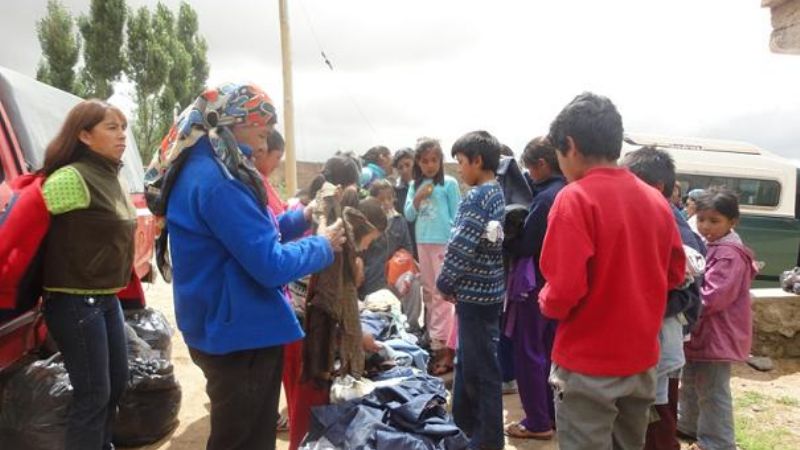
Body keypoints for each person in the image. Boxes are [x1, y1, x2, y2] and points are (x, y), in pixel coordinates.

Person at [161, 83, 344, 450]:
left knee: (241, 433)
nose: (265, 139)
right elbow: (269, 264)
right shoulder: (219, 181)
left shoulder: (207, 167)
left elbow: (252, 236)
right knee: (245, 439)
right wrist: (323, 245)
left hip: (223, 324)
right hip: (239, 333)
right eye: (260, 128)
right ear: (232, 121)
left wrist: (303, 216)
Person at [539, 92, 686, 450]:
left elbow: (563, 291)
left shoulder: (575, 198)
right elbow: (675, 274)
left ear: (569, 145)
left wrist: (545, 300)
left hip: (588, 364)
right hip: (640, 362)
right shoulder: (655, 200)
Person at [38, 99, 134, 450]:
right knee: (93, 395)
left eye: (124, 127)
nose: (122, 135)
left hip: (106, 298)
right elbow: (26, 221)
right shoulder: (71, 178)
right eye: (112, 127)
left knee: (117, 383)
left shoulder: (112, 177)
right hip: (74, 302)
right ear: (84, 135)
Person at [622, 146, 707, 450]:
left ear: (655, 187)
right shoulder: (652, 213)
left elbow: (686, 280)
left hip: (662, 335)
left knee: (658, 417)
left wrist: (646, 306)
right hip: (655, 335)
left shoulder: (667, 218)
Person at [436, 130, 506, 450]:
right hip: (487, 292)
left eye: (462, 162)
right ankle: (461, 427)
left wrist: (445, 281)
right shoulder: (496, 193)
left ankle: (487, 440)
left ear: (478, 161)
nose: (460, 169)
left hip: (475, 297)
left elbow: (461, 245)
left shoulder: (476, 197)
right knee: (468, 364)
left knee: (482, 372)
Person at [678, 188, 757, 450]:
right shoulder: (710, 246)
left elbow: (713, 297)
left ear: (732, 222)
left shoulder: (729, 254)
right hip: (703, 333)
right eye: (701, 219)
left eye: (714, 221)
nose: (706, 226)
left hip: (718, 335)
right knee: (690, 382)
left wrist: (683, 301)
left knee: (713, 391)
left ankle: (718, 442)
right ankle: (689, 425)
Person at [502, 136, 566, 441]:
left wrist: (506, 236)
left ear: (541, 164)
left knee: (529, 351)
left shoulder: (545, 197)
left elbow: (528, 243)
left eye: (532, 168)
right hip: (561, 282)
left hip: (535, 284)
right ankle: (551, 414)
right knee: (552, 352)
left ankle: (538, 420)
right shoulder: (569, 190)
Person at [404, 137, 462, 375]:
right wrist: (418, 198)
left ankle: (444, 346)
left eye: (434, 160)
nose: (430, 165)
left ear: (440, 161)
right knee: (428, 292)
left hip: (442, 242)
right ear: (418, 162)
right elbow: (408, 215)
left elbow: (457, 214)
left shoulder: (449, 183)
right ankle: (435, 339)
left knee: (442, 294)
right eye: (425, 161)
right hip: (423, 241)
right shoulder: (413, 185)